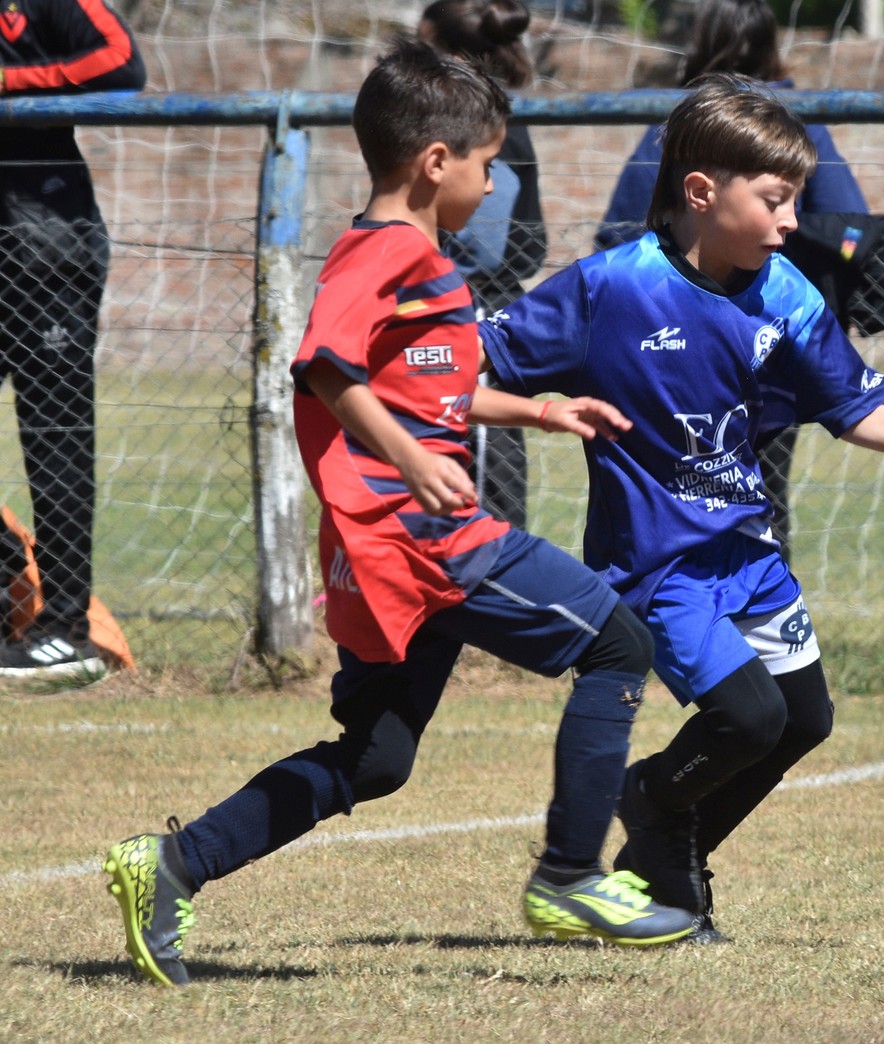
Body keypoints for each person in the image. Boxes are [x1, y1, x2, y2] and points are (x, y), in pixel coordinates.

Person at [102, 40, 696, 988]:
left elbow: (422, 388)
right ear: (435, 162)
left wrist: (537, 408)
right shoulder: (384, 253)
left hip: (387, 545)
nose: (495, 181)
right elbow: (326, 367)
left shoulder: (416, 258)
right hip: (421, 536)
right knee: (618, 645)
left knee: (376, 758)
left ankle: (173, 865)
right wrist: (416, 462)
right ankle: (573, 874)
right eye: (488, 163)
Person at [480, 74, 884, 941]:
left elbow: (853, 407)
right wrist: (470, 413)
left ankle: (655, 852)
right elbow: (468, 363)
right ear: (700, 192)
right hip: (659, 565)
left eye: (793, 198)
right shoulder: (609, 291)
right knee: (745, 717)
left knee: (801, 721)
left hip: (747, 555)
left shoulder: (785, 292)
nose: (793, 220)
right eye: (774, 199)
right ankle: (655, 809)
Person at [593, 0, 872, 560]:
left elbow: (616, 236)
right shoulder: (796, 119)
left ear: (701, 41)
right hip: (766, 356)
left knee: (658, 492)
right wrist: (818, 256)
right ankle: (761, 626)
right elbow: (856, 229)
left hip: (662, 355)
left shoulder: (679, 125)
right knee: (762, 489)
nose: (784, 216)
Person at [0, 0, 144, 677]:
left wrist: (11, 87)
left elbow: (122, 62)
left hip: (47, 250)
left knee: (54, 435)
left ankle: (64, 630)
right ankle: (9, 578)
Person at [419, 0, 544, 531]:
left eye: (423, 49)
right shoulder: (454, 123)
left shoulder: (487, 131)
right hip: (449, 304)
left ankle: (493, 562)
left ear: (452, 57)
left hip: (477, 310)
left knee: (487, 453)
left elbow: (511, 246)